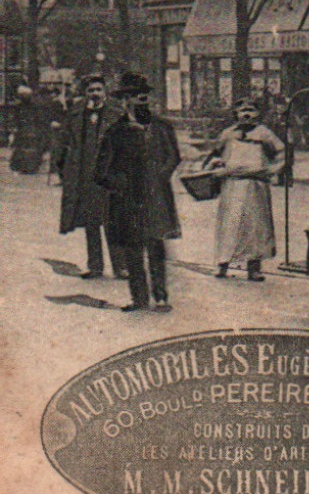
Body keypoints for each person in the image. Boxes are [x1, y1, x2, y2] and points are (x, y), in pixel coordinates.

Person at [96, 72, 182, 313]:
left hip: (156, 197)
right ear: (126, 101)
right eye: (134, 95)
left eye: (144, 95)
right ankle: (139, 298)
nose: (141, 99)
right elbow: (101, 171)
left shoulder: (163, 127)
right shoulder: (116, 132)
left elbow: (173, 157)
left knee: (157, 246)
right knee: (133, 249)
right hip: (128, 200)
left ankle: (161, 296)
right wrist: (120, 184)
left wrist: (159, 177)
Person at [57, 74, 126, 280]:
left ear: (104, 92)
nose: (95, 93)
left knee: (112, 220)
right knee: (91, 222)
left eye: (98, 89)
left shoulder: (116, 113)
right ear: (86, 93)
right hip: (85, 175)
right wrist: (64, 168)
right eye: (91, 90)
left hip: (108, 176)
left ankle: (120, 267)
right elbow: (65, 140)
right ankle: (95, 266)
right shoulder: (77, 113)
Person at [211, 97, 286, 282]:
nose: (246, 114)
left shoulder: (265, 134)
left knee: (255, 227)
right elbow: (215, 154)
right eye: (242, 110)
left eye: (251, 110)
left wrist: (270, 171)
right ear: (235, 113)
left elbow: (281, 153)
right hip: (232, 185)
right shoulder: (228, 134)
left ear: (258, 113)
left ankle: (254, 268)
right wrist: (217, 166)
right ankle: (222, 264)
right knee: (230, 224)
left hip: (255, 185)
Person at [9, 84, 45, 174]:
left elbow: (39, 118)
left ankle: (30, 167)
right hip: (24, 130)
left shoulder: (34, 105)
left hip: (31, 129)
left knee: (29, 148)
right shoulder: (20, 106)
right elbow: (16, 118)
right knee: (23, 148)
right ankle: (24, 166)